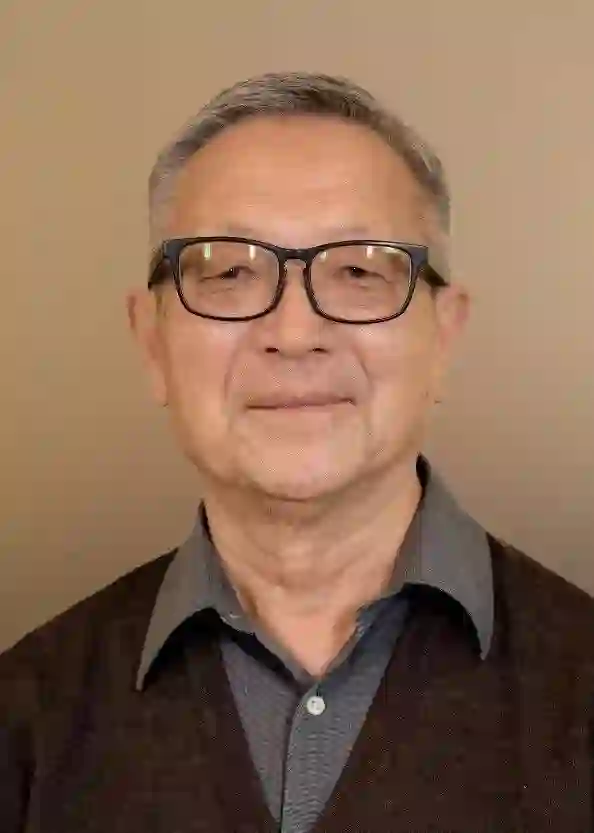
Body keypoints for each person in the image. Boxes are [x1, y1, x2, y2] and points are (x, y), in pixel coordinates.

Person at [1, 71, 593, 833]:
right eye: (229, 271)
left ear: (444, 337)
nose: (294, 331)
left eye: (358, 270)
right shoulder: (25, 719)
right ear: (151, 342)